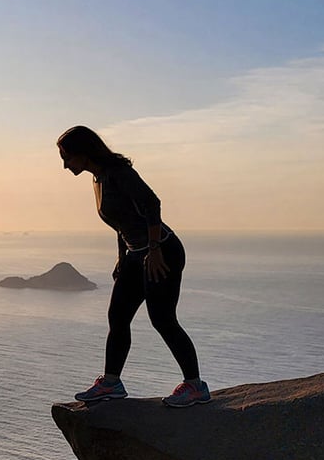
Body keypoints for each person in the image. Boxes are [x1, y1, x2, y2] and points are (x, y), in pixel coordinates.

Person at [56, 125, 210, 407]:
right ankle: (111, 383)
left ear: (83, 152)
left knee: (162, 319)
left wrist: (153, 251)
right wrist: (122, 257)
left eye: (66, 157)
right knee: (118, 317)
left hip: (162, 251)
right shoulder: (99, 179)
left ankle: (195, 386)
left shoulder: (118, 173)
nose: (64, 165)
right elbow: (121, 222)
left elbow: (152, 203)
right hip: (136, 255)